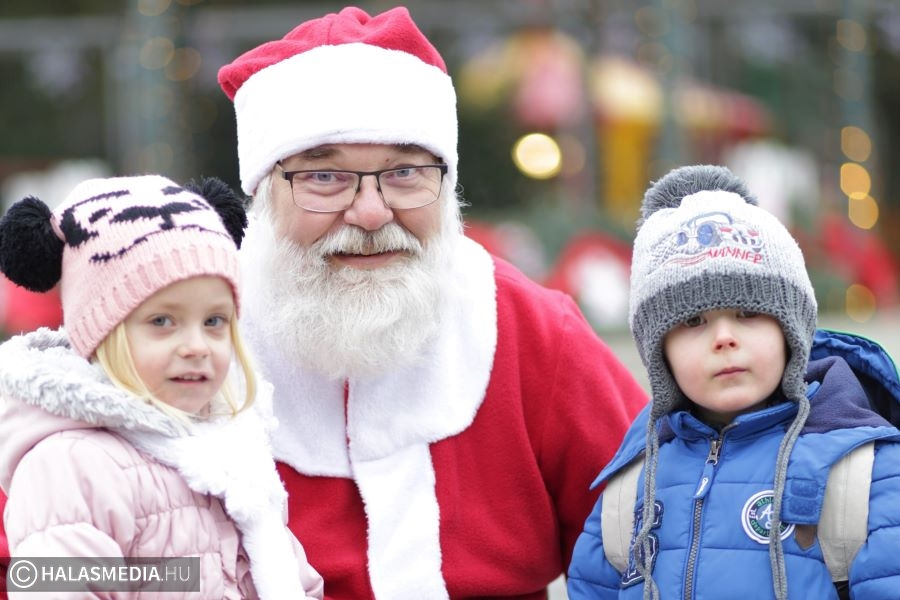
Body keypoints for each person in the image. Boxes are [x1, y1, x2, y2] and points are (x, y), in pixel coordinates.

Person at [215, 5, 648, 599]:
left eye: (404, 172)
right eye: (324, 178)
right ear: (262, 193)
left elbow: (659, 542)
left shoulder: (531, 333)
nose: (370, 212)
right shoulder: (189, 338)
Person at [567, 165, 900, 599]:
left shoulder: (866, 472)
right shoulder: (632, 484)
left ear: (790, 330)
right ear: (658, 351)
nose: (724, 338)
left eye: (748, 313)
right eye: (692, 321)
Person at [0, 175, 324, 599]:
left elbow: (292, 578)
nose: (196, 346)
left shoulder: (235, 448)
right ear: (101, 331)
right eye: (162, 321)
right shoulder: (71, 466)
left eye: (214, 321)